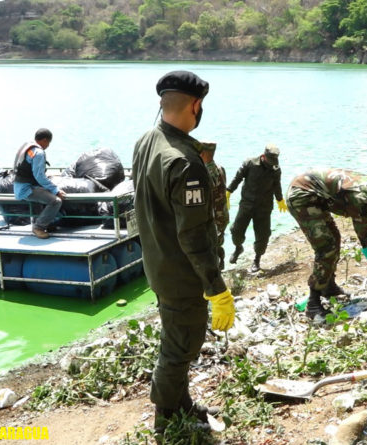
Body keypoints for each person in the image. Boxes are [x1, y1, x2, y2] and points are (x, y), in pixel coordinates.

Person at [131, 70, 233, 437]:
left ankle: (182, 403)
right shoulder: (184, 161)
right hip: (181, 273)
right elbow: (193, 235)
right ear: (195, 104)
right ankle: (165, 420)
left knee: (176, 337)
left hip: (157, 263)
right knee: (180, 347)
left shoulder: (148, 139)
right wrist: (216, 288)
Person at [286, 168, 367, 319]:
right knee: (326, 247)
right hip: (302, 197)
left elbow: (362, 229)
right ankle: (313, 304)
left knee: (334, 238)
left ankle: (328, 287)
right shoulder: (361, 195)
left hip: (315, 197)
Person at [226, 144, 286, 273]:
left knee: (263, 235)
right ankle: (238, 248)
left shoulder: (275, 169)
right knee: (236, 230)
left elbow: (277, 185)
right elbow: (238, 178)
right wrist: (228, 191)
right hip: (246, 204)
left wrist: (280, 199)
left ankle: (257, 260)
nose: (271, 164)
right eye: (269, 161)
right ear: (263, 156)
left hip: (264, 207)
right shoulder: (250, 163)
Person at [13, 128, 66, 239]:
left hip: (18, 186)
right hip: (26, 189)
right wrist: (56, 190)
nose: (48, 146)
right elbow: (39, 176)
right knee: (56, 201)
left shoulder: (27, 146)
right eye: (49, 143)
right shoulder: (39, 153)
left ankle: (47, 223)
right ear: (45, 140)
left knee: (45, 194)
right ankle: (39, 227)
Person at [200, 142, 230, 270]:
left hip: (213, 217)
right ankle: (221, 263)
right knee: (218, 243)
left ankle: (217, 272)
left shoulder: (205, 172)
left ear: (203, 153)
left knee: (210, 247)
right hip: (222, 213)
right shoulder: (220, 168)